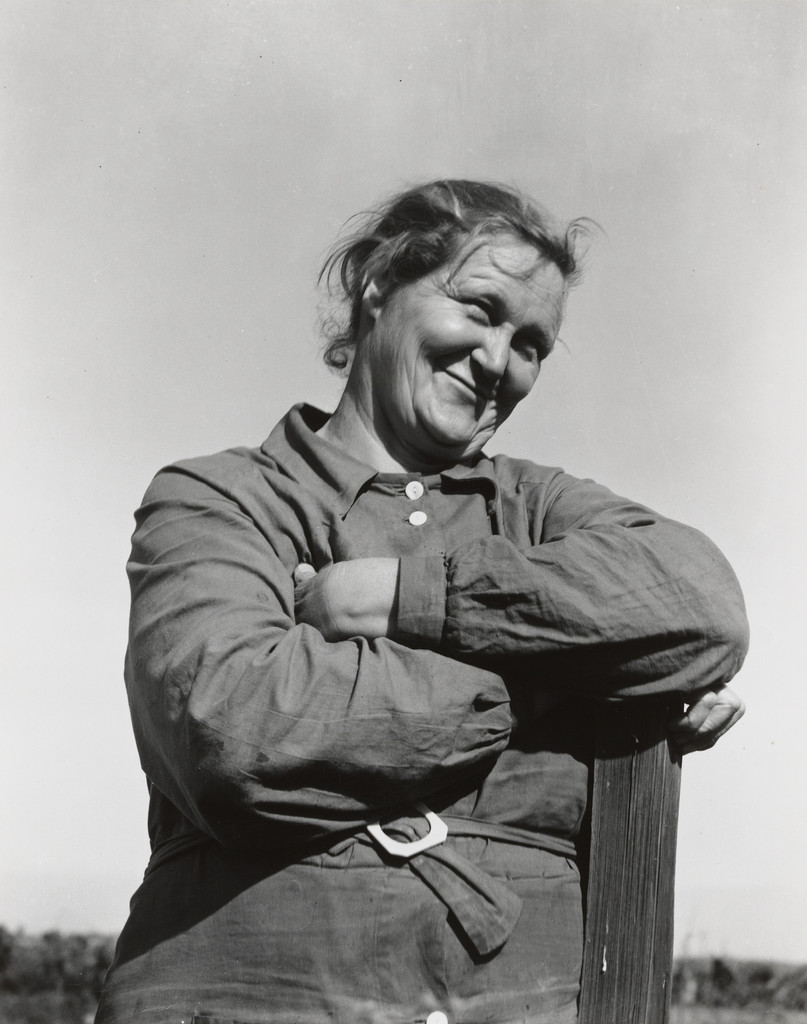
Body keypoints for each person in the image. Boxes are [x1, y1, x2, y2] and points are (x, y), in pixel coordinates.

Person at [96, 180, 748, 1024]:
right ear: (376, 287)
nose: (496, 360)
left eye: (530, 344)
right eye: (478, 308)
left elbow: (703, 605)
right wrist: (557, 681)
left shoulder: (540, 508)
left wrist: (394, 597)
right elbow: (239, 732)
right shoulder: (222, 498)